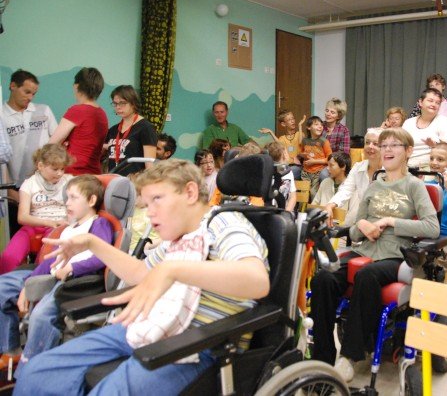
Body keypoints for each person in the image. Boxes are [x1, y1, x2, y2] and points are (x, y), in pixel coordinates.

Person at [15, 159, 270, 395]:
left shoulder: (225, 224)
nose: (149, 212)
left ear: (190, 193)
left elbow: (257, 281)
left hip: (198, 344)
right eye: (147, 204)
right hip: (150, 327)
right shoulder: (178, 237)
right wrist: (93, 243)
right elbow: (141, 273)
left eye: (157, 199)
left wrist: (172, 269)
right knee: (37, 373)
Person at [310, 128, 439, 382]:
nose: (387, 149)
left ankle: (349, 357)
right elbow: (354, 229)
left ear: (408, 151)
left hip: (394, 255)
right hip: (363, 250)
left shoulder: (414, 186)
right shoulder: (373, 187)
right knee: (323, 278)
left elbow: (431, 227)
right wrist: (363, 226)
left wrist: (391, 221)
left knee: (367, 275)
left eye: (394, 145)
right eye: (384, 145)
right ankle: (321, 359)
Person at [0, 175, 112, 375]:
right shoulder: (69, 228)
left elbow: (102, 257)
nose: (67, 203)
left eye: (73, 198)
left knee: (41, 315)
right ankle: (11, 350)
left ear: (92, 200)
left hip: (75, 280)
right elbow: (49, 261)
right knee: (2, 287)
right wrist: (27, 284)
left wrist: (71, 268)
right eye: (67, 197)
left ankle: (32, 369)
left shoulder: (99, 224)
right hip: (51, 274)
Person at [0, 145, 73, 274]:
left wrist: (62, 223)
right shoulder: (29, 184)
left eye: (62, 169)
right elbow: (22, 217)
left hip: (59, 226)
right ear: (40, 166)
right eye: (55, 169)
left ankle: (34, 282)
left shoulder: (70, 181)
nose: (60, 173)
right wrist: (48, 222)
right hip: (34, 226)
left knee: (45, 258)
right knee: (8, 258)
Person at [48, 67, 108, 175]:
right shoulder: (102, 114)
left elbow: (52, 144)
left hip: (75, 174)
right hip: (94, 173)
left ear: (76, 86)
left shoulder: (77, 111)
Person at [1, 69, 55, 189]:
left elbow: (57, 143)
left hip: (45, 182)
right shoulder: (1, 116)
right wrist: (9, 191)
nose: (30, 97)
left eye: (33, 94)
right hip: (15, 185)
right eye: (27, 92)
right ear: (13, 86)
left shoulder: (44, 110)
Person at [325, 128, 382, 227]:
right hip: (364, 221)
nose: (370, 146)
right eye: (367, 143)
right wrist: (330, 205)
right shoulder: (358, 167)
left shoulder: (390, 170)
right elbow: (346, 190)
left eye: (375, 144)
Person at [104, 85, 158, 175]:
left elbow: (150, 164)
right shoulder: (113, 129)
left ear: (133, 103)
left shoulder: (146, 128)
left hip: (135, 180)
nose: (118, 107)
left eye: (122, 103)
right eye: (115, 103)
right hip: (113, 178)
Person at [402, 88, 447, 169]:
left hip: (433, 169)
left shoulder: (443, 121)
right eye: (430, 101)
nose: (433, 104)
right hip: (407, 167)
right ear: (420, 102)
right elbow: (400, 147)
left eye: (437, 103)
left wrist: (435, 145)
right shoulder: (408, 123)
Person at [259, 110, 304, 179]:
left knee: (291, 170)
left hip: (297, 166)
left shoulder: (299, 134)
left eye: (293, 118)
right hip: (286, 164)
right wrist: (271, 132)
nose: (292, 121)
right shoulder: (282, 138)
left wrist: (300, 126)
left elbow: (301, 142)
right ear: (283, 124)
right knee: (274, 171)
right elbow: (280, 145)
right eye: (289, 120)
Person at [300, 116, 332, 198]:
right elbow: (301, 152)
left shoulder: (324, 141)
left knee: (313, 193)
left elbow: (330, 159)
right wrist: (303, 155)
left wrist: (314, 161)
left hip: (318, 171)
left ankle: (315, 206)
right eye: (316, 124)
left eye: (321, 125)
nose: (320, 126)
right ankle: (303, 207)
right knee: (303, 194)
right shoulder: (305, 141)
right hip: (305, 172)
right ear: (309, 127)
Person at [265, 141, 297, 212]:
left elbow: (293, 196)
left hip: (285, 212)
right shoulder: (266, 172)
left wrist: (286, 212)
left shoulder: (288, 172)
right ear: (284, 154)